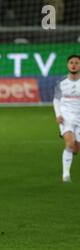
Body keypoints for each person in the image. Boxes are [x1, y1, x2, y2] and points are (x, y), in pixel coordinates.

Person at [53, 54, 80, 182]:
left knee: (76, 149)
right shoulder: (61, 82)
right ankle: (65, 175)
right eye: (71, 62)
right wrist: (58, 114)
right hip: (66, 117)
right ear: (67, 65)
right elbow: (56, 100)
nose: (74, 65)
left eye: (76, 63)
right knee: (69, 144)